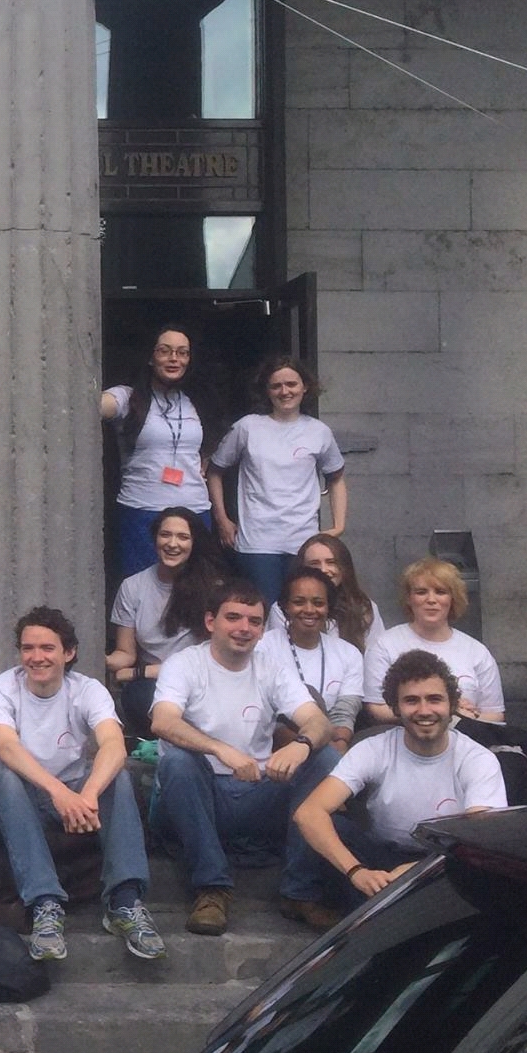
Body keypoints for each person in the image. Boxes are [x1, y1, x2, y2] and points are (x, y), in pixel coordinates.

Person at [149, 580, 339, 936]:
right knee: (177, 761)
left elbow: (318, 722)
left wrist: (300, 745)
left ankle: (299, 892)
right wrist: (221, 749)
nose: (244, 628)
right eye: (233, 618)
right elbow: (163, 721)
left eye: (254, 621)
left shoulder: (273, 667)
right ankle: (211, 890)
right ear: (210, 622)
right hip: (192, 797)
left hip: (254, 792)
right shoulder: (184, 664)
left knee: (324, 759)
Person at [0, 610, 163, 962]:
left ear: (69, 653)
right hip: (10, 801)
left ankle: (125, 901)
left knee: (118, 778)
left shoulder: (87, 690)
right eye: (28, 648)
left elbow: (112, 744)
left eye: (47, 648)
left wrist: (87, 795)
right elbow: (7, 749)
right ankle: (46, 905)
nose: (36, 657)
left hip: (72, 799)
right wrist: (60, 793)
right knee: (6, 778)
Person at [290, 650, 505, 928]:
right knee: (334, 827)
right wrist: (357, 871)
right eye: (411, 700)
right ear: (395, 707)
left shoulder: (478, 759)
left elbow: (480, 840)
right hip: (380, 861)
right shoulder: (373, 748)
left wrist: (421, 869)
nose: (424, 710)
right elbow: (308, 812)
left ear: (452, 705)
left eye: (434, 699)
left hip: (446, 862)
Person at [206, 355, 347, 609]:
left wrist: (337, 526)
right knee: (264, 613)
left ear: (304, 387)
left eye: (291, 384)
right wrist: (223, 520)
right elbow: (215, 471)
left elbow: (336, 478)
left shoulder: (319, 431)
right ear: (267, 391)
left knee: (303, 610)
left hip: (303, 541)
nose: (285, 391)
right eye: (276, 386)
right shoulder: (248, 427)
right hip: (257, 543)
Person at [100, 325, 219, 576]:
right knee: (142, 591)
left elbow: (209, 443)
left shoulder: (198, 400)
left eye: (182, 352)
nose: (174, 358)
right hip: (142, 509)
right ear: (150, 357)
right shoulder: (128, 397)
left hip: (194, 509)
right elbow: (98, 406)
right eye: (165, 351)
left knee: (196, 591)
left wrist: (204, 462)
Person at [106, 507, 221, 738]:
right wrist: (97, 661)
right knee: (138, 698)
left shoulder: (213, 589)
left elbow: (213, 657)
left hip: (199, 679)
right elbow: (125, 653)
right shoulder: (132, 586)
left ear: (194, 542)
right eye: (165, 534)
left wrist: (139, 672)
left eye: (183, 537)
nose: (172, 543)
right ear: (155, 538)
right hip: (153, 686)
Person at [362, 557, 506, 724]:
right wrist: (445, 713)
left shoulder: (477, 651)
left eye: (440, 591)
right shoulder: (384, 645)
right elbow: (376, 707)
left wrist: (467, 718)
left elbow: (495, 715)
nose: (431, 600)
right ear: (409, 598)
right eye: (421, 592)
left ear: (453, 598)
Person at [256, 567, 364, 744]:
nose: (309, 609)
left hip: (331, 742)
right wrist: (307, 745)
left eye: (318, 603)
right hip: (277, 744)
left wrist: (339, 745)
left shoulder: (349, 653)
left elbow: (344, 712)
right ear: (285, 606)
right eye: (299, 602)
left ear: (329, 606)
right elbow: (267, 715)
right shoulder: (262, 648)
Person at [266, 532, 385, 649]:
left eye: (331, 562)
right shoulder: (282, 609)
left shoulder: (364, 607)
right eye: (314, 563)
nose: (323, 570)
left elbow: (375, 654)